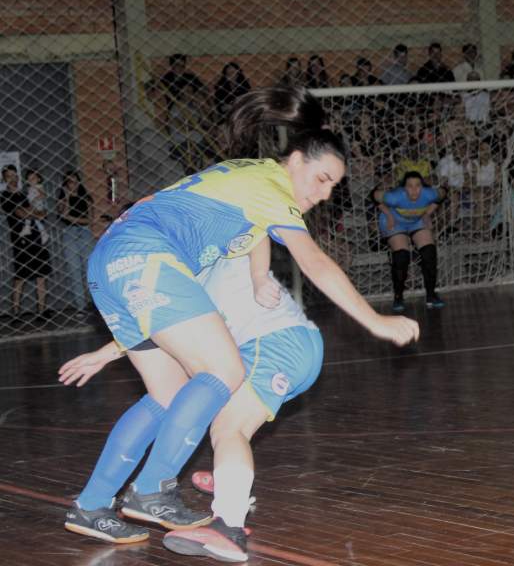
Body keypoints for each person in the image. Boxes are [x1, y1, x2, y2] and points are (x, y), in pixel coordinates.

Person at [63, 86, 419, 546]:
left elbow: (198, 281)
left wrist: (109, 350)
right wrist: (375, 321)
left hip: (115, 265)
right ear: (295, 161)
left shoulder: (244, 183)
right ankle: (151, 490)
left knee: (169, 395)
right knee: (224, 370)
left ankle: (91, 505)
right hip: (145, 256)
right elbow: (313, 262)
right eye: (323, 179)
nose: (326, 194)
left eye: (334, 186)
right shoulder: (271, 187)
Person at [60, 253, 327, 562]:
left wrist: (105, 353)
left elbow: (257, 224)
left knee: (207, 414)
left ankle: (225, 517)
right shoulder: (185, 259)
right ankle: (227, 509)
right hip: (269, 343)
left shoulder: (193, 254)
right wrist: (105, 354)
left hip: (271, 342)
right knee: (196, 408)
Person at [372, 171, 446, 312]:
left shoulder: (429, 194)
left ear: (422, 187)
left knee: (429, 253)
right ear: (404, 188)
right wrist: (388, 214)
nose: (414, 190)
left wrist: (427, 213)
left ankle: (431, 295)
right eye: (410, 186)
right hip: (395, 221)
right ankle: (398, 297)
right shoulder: (394, 197)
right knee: (402, 256)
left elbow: (444, 192)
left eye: (418, 186)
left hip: (417, 221)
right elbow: (373, 195)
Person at [1, 164, 51, 319]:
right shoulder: (4, 196)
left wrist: (32, 212)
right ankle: (16, 312)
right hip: (20, 240)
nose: (13, 178)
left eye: (15, 175)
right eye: (9, 176)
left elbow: (42, 214)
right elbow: (21, 214)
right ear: (4, 179)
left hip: (36, 236)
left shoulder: (24, 194)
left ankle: (41, 310)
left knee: (41, 274)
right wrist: (33, 210)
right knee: (20, 276)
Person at [57, 170, 95, 318]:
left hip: (85, 233)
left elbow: (90, 220)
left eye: (74, 181)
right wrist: (66, 197)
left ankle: (96, 303)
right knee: (74, 271)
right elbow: (62, 214)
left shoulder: (86, 198)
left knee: (89, 270)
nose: (72, 184)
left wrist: (71, 218)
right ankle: (80, 306)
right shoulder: (62, 198)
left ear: (79, 182)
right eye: (69, 182)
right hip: (69, 233)